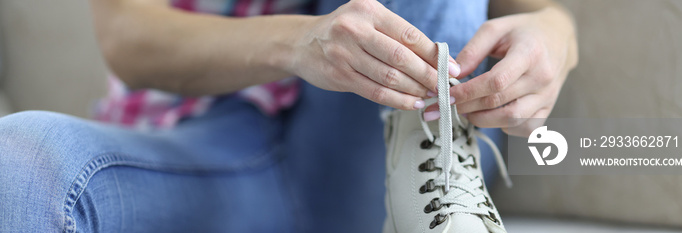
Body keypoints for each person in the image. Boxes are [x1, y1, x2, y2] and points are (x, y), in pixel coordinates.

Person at [0, 0, 577, 232]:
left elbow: (543, 15)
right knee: (18, 160)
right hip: (197, 144)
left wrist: (551, 37)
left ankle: (437, 181)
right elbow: (126, 30)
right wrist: (298, 43)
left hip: (361, 149)